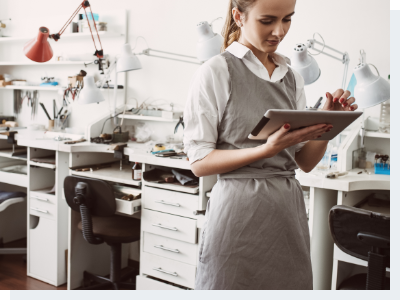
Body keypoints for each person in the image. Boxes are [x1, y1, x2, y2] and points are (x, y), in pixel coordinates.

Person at [183, 0, 358, 290]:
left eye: (287, 19)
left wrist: (328, 124)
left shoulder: (292, 78)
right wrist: (266, 149)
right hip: (237, 210)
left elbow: (304, 162)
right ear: (239, 17)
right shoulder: (216, 71)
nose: (280, 31)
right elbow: (199, 164)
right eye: (267, 21)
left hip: (286, 211)